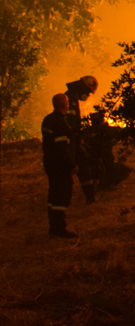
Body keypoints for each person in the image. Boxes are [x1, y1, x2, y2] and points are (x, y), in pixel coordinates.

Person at [41, 93, 78, 238]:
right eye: (67, 101)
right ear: (63, 104)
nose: (68, 104)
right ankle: (59, 229)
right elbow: (62, 148)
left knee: (53, 194)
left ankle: (54, 227)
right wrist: (71, 165)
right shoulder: (61, 122)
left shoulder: (48, 119)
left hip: (49, 163)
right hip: (59, 165)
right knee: (62, 195)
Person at [64, 75, 98, 204]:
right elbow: (70, 123)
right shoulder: (70, 99)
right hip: (70, 142)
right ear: (84, 86)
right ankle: (65, 198)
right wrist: (76, 137)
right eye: (88, 91)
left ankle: (90, 197)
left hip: (74, 140)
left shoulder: (71, 97)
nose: (88, 95)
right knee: (74, 168)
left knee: (83, 165)